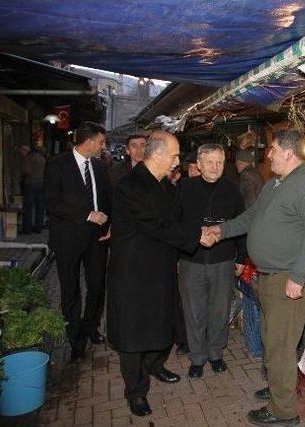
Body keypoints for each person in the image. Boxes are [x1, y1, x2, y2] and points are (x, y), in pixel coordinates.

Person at [204, 130, 305, 426]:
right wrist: (220, 230)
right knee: (271, 340)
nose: (267, 154)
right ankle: (278, 389)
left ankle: (284, 412)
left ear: (288, 152)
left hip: (288, 278)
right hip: (269, 277)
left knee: (280, 345)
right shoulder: (274, 184)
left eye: (272, 149)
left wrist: (298, 277)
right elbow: (250, 218)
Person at [106, 130, 213, 417]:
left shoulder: (162, 183)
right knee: (134, 332)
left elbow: (174, 217)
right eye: (175, 155)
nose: (178, 161)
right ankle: (136, 391)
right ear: (158, 154)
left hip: (159, 268)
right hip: (134, 273)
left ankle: (155, 366)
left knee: (160, 323)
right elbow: (156, 225)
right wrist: (197, 236)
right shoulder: (131, 185)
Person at [175, 143, 246, 378]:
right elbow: (175, 223)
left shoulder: (233, 189)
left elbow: (242, 224)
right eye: (210, 162)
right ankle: (197, 358)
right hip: (191, 260)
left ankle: (216, 354)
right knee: (194, 312)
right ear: (199, 163)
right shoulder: (184, 187)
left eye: (219, 162)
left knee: (219, 310)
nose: (215, 167)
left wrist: (241, 257)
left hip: (223, 260)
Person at [44, 121, 111, 361]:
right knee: (70, 289)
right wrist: (86, 215)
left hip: (97, 238)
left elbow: (107, 200)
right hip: (68, 238)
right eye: (101, 142)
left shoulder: (101, 167)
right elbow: (52, 203)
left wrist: (109, 225)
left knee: (97, 286)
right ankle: (75, 338)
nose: (104, 146)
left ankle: (90, 327)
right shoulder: (57, 165)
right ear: (90, 141)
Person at [19, 145, 46, 234]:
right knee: (40, 207)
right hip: (42, 183)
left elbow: (27, 171)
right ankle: (38, 228)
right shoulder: (42, 158)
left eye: (21, 152)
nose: (21, 154)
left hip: (31, 184)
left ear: (25, 151)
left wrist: (22, 175)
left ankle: (27, 229)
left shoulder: (29, 158)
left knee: (28, 207)